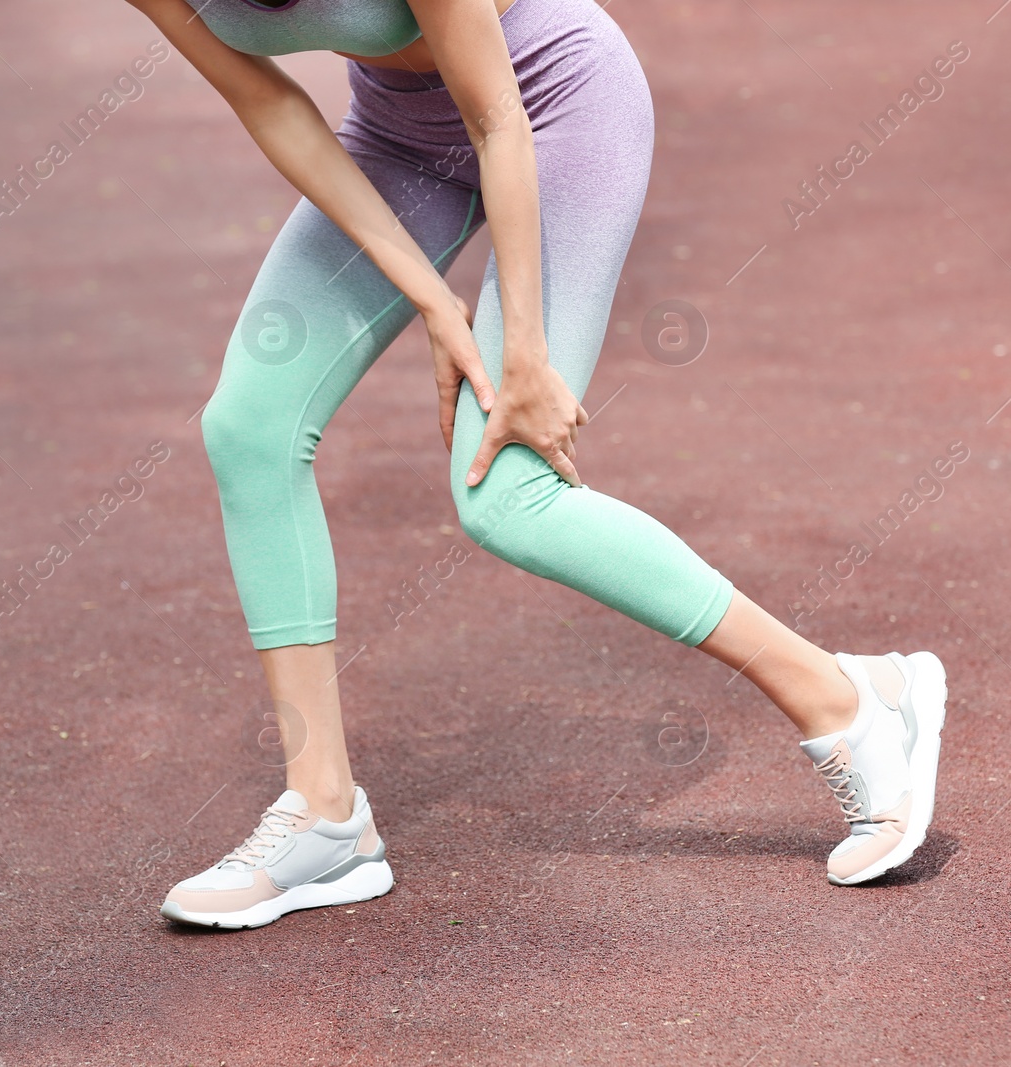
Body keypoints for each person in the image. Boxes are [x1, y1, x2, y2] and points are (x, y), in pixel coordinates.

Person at [122, 0, 948, 930]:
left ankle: (857, 701)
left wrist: (523, 360)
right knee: (250, 427)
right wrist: (434, 301)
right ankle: (324, 818)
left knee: (507, 493)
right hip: (397, 141)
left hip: (554, 107)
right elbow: (270, 104)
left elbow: (496, 120)